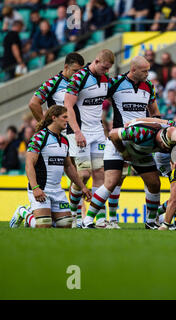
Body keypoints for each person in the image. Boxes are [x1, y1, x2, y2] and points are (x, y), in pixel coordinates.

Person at [83, 56, 161, 229]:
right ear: (133, 70)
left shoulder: (149, 87)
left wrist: (155, 125)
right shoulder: (115, 83)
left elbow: (155, 111)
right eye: (145, 71)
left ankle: (150, 221)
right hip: (118, 140)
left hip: (141, 143)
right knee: (110, 182)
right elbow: (96, 98)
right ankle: (88, 220)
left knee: (155, 183)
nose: (148, 74)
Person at [9, 105, 91, 229]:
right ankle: (23, 211)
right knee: (43, 225)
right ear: (54, 118)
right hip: (40, 188)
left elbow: (68, 167)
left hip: (57, 191)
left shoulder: (64, 140)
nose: (67, 120)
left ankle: (43, 214)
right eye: (64, 117)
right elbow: (29, 164)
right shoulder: (39, 137)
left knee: (65, 225)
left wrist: (83, 187)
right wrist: (35, 187)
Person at [64, 49, 114, 229]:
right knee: (83, 175)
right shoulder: (79, 77)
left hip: (98, 131)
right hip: (80, 131)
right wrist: (77, 132)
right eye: (105, 68)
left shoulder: (106, 79)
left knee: (100, 174)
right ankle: (73, 214)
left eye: (109, 69)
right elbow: (68, 105)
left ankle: (99, 220)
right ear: (97, 60)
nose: (106, 71)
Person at [29, 52, 85, 122]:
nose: (78, 74)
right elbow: (33, 103)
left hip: (82, 129)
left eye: (80, 71)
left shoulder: (82, 80)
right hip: (62, 131)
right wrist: (44, 125)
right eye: (75, 71)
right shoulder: (52, 83)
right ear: (66, 67)